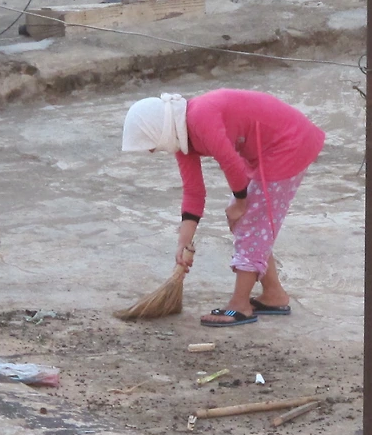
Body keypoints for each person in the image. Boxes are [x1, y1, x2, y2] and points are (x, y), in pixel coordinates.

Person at [121, 89, 325, 326]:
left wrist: (240, 203)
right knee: (247, 222)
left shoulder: (200, 118)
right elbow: (194, 192)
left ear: (160, 128)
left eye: (149, 142)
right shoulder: (183, 137)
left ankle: (240, 305)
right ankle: (273, 294)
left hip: (289, 143)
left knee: (249, 221)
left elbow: (232, 164)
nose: (150, 150)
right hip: (267, 148)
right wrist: (183, 242)